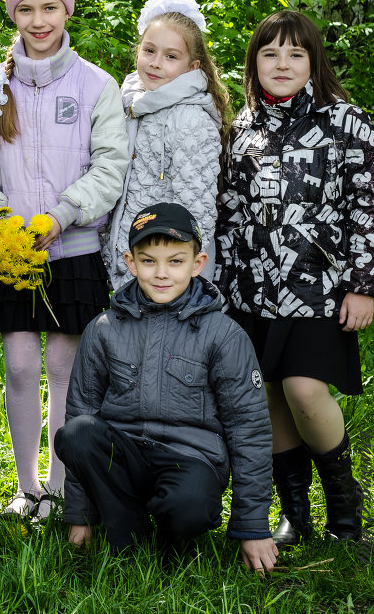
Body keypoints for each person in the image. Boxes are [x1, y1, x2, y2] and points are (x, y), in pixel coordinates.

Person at [0, 0, 128, 518]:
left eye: (49, 7)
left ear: (66, 9)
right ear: (12, 16)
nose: (38, 20)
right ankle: (25, 485)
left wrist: (62, 215)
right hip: (11, 255)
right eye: (25, 9)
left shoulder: (95, 84)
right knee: (21, 366)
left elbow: (109, 167)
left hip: (71, 249)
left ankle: (59, 485)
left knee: (64, 368)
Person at [216, 10, 374, 546]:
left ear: (313, 61)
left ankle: (346, 510)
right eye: (270, 53)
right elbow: (228, 213)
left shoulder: (344, 121)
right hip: (250, 290)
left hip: (319, 289)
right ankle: (297, 513)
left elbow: (373, 206)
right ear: (254, 63)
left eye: (295, 53)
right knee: (269, 397)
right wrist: (220, 287)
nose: (282, 63)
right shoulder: (242, 126)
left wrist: (363, 284)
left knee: (304, 389)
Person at [56, 202, 278, 573]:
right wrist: (80, 514)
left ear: (198, 262)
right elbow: (82, 408)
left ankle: (174, 537)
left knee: (187, 504)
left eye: (175, 261)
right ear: (130, 262)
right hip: (125, 455)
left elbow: (249, 431)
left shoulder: (224, 335)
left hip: (192, 459)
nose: (161, 274)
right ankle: (126, 530)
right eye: (148, 261)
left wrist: (252, 525)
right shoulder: (104, 328)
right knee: (77, 433)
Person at [102, 0, 229, 291]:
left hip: (167, 274)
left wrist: (176, 271)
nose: (156, 63)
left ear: (193, 66)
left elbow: (197, 208)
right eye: (149, 50)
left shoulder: (190, 118)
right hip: (125, 262)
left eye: (171, 56)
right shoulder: (128, 104)